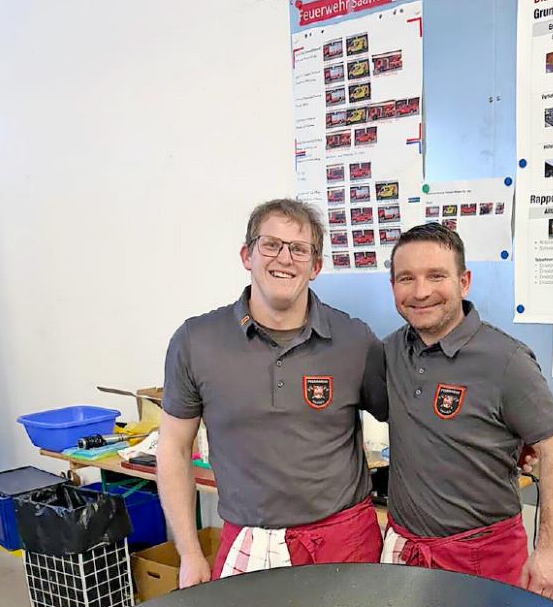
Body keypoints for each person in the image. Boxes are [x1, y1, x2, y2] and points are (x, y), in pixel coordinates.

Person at [158, 198, 387, 585]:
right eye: (271, 245)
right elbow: (173, 448)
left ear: (315, 267)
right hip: (249, 541)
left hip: (346, 543)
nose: (285, 258)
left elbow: (410, 417)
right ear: (247, 255)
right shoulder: (196, 341)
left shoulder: (354, 340)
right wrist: (190, 554)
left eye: (299, 249)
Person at [381, 222, 553, 599]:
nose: (421, 292)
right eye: (406, 278)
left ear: (464, 281)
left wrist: (549, 553)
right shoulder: (389, 352)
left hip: (484, 557)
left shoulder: (507, 360)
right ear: (393, 287)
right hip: (406, 553)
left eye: (436, 276)